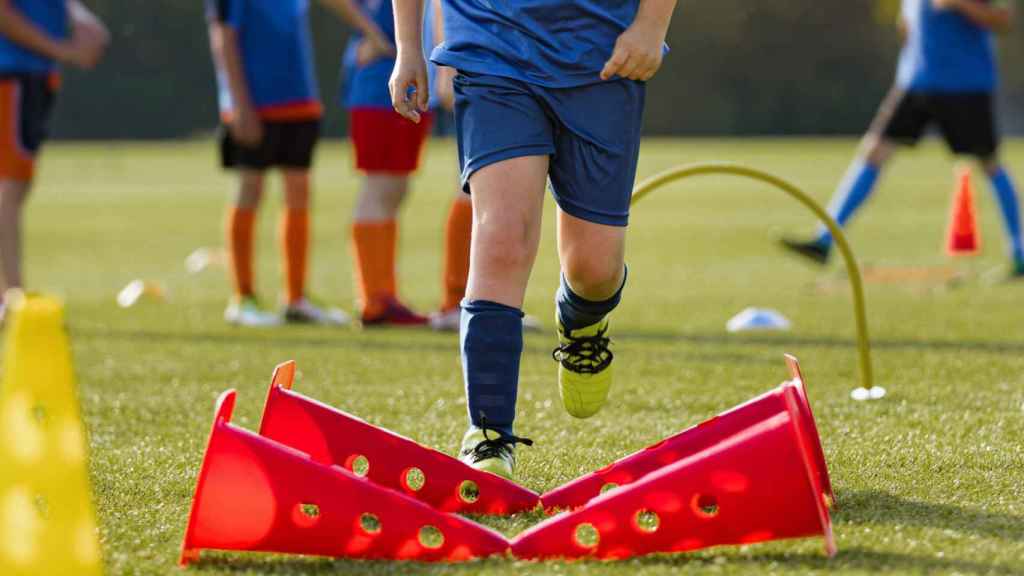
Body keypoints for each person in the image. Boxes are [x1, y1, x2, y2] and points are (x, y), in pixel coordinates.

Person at [390, 0, 678, 478]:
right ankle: (488, 434)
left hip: (602, 56)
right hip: (490, 51)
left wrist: (651, 25)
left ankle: (582, 322)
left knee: (595, 270)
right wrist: (408, 47)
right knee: (501, 236)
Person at [782, 0, 1022, 279]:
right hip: (915, 83)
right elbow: (908, 24)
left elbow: (1004, 19)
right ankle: (825, 240)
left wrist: (961, 4)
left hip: (964, 86)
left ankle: (1020, 254)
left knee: (989, 163)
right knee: (873, 152)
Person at [207, 0, 368, 327]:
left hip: (299, 99)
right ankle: (243, 299)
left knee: (299, 193)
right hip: (253, 103)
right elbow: (223, 37)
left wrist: (374, 32)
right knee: (249, 189)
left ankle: (296, 299)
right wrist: (238, 104)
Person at [0, 0, 108, 321]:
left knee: (15, 186)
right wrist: (63, 50)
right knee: (9, 186)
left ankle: (12, 295)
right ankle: (12, 296)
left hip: (30, 75)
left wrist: (80, 18)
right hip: (11, 73)